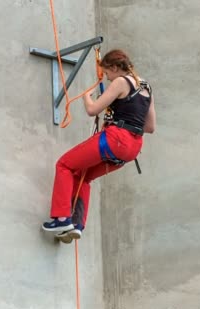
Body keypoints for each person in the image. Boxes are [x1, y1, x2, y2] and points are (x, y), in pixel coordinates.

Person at [42, 49, 156, 240]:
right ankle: (77, 224)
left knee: (64, 165)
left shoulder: (121, 81)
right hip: (132, 148)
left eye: (108, 74)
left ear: (114, 67)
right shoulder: (147, 87)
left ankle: (61, 218)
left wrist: (87, 96)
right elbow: (150, 127)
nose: (108, 79)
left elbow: (93, 110)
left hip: (115, 139)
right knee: (83, 176)